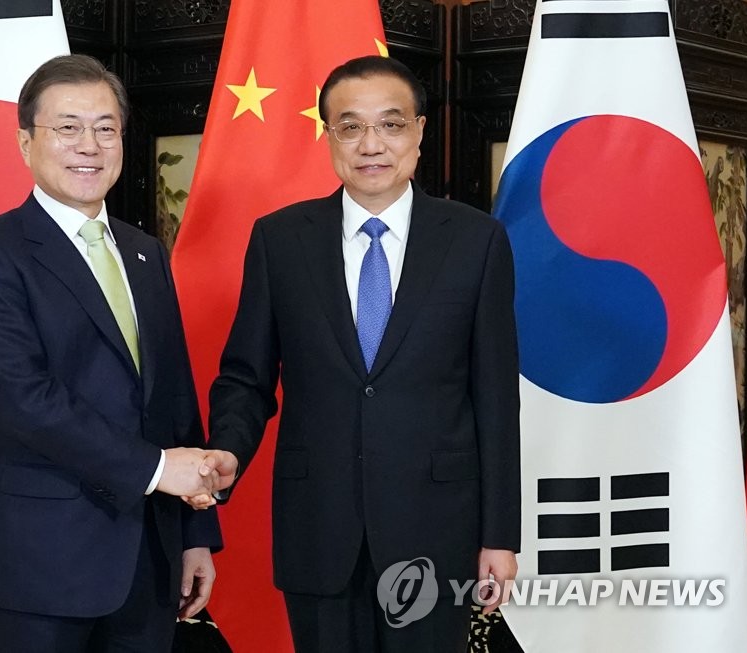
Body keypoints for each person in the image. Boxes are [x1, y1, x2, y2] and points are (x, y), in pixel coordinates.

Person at [196, 55, 521, 652]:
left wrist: (500, 534)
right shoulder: (280, 239)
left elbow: (496, 397)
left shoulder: (476, 241)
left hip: (437, 527)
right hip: (319, 524)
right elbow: (246, 377)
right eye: (350, 127)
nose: (371, 144)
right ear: (329, 136)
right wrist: (227, 451)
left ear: (419, 131)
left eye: (390, 124)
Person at [0, 54, 224, 653]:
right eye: (68, 127)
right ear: (26, 142)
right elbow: (23, 400)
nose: (89, 146)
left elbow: (173, 396)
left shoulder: (145, 252)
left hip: (148, 563)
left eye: (105, 128)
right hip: (39, 567)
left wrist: (195, 532)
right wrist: (157, 470)